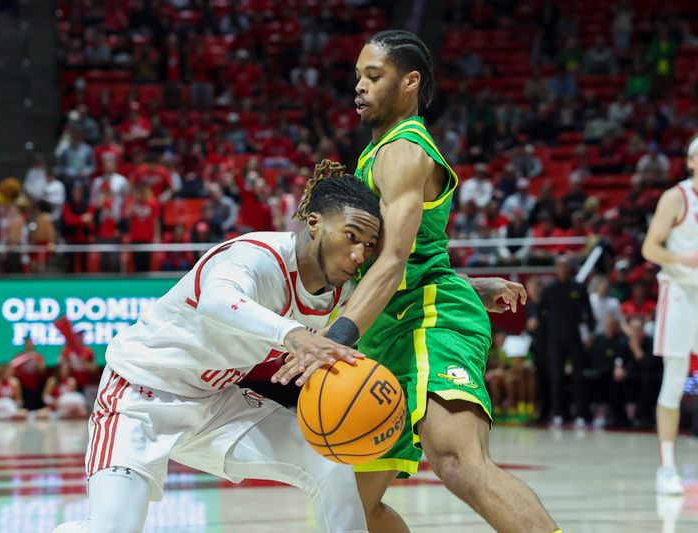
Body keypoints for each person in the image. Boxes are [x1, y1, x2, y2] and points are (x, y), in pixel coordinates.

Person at [274, 30, 559, 533]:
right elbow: (399, 255)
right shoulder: (377, 152)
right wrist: (470, 283)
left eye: (373, 76)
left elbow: (393, 263)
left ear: (410, 82)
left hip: (427, 319)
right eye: (357, 76)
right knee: (354, 508)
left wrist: (333, 339)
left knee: (456, 459)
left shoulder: (403, 151)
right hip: (390, 325)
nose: (359, 87)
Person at [53, 163, 381, 533]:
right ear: (314, 223)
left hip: (215, 403)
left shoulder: (342, 290)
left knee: (329, 460)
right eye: (351, 236)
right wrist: (292, 334)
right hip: (141, 397)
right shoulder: (256, 256)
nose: (359, 255)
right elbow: (216, 300)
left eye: (368, 245)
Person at [641, 131, 698, 495]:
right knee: (674, 380)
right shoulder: (676, 197)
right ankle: (667, 467)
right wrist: (679, 258)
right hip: (680, 294)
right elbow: (649, 248)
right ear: (690, 162)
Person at [539, 257, 595, 428]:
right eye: (560, 266)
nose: (563, 269)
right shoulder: (549, 290)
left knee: (579, 377)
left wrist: (589, 333)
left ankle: (581, 414)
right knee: (556, 378)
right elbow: (542, 315)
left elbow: (588, 313)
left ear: (570, 268)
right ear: (556, 268)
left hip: (575, 339)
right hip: (555, 341)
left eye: (566, 266)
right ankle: (558, 413)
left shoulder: (578, 288)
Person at [10, 337, 46, 410]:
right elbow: (12, 368)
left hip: (34, 384)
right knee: (23, 405)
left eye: (30, 343)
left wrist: (36, 360)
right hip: (22, 385)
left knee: (33, 405)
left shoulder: (38, 356)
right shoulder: (19, 356)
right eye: (27, 343)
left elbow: (42, 370)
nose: (29, 344)